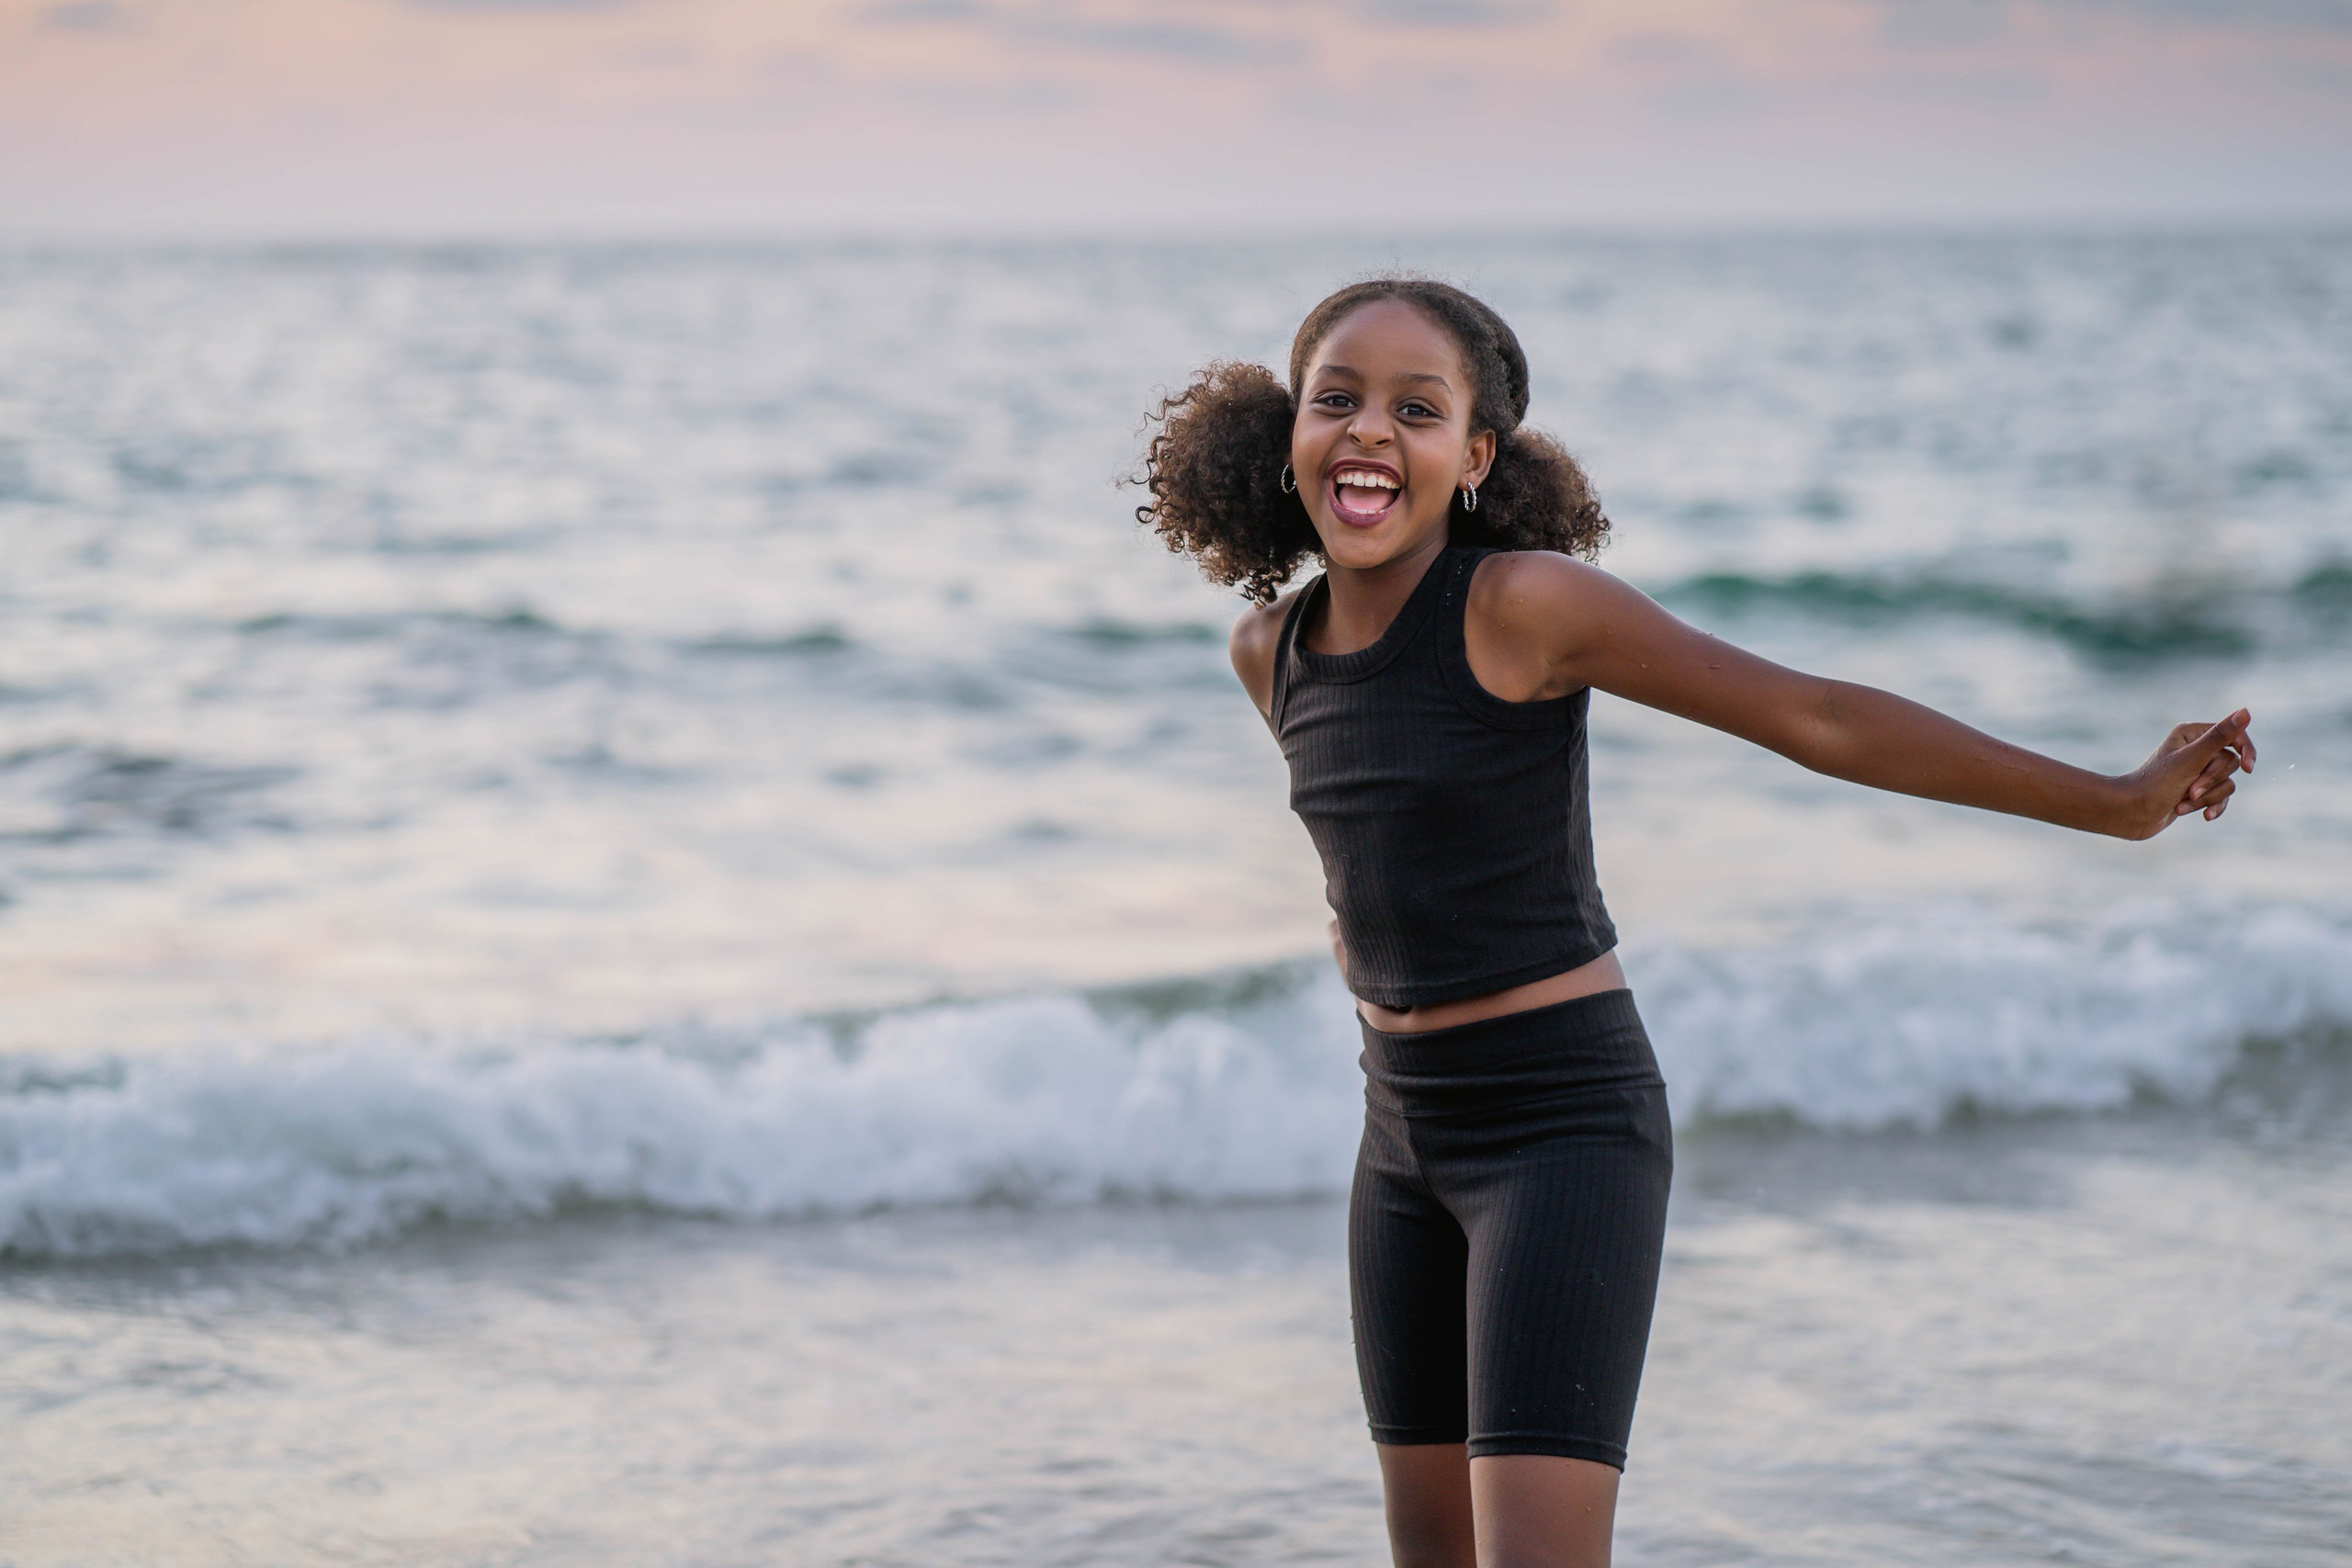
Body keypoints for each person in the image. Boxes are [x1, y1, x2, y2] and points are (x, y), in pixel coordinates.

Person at [1132, 278, 2255, 1568]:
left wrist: (2111, 804)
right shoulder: (1267, 652)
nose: (1371, 431)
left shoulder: (1525, 608)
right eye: (1337, 399)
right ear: (1289, 435)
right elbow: (1375, 860)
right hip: (1398, 1141)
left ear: (1475, 458)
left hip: (1561, 1132)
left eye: (1417, 409)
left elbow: (1818, 717)